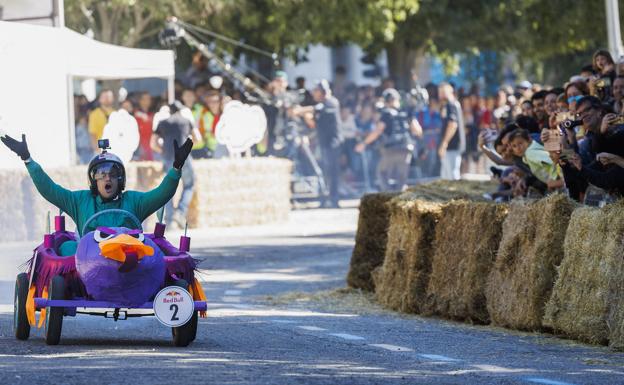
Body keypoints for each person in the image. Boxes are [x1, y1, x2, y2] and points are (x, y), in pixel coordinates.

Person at [0, 133, 192, 255]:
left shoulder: (134, 201)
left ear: (120, 180)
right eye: (101, 174)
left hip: (127, 255)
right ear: (94, 181)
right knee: (67, 248)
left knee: (152, 249)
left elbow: (162, 194)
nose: (107, 178)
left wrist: (176, 168)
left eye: (113, 174)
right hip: (89, 259)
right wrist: (27, 159)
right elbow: (49, 189)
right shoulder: (80, 200)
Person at [355, 88, 422, 191]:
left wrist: (364, 143)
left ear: (386, 101)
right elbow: (417, 130)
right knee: (401, 180)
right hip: (406, 150)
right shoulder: (404, 112)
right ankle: (400, 200)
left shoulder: (386, 114)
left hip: (391, 150)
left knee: (382, 173)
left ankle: (389, 197)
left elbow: (378, 131)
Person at [153, 101, 195, 228]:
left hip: (167, 157)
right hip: (184, 157)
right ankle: (180, 212)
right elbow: (196, 138)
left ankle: (170, 219)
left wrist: (163, 151)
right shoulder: (186, 121)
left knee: (169, 187)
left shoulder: (162, 123)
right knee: (189, 184)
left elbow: (153, 143)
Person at [438, 82, 465, 180]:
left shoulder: (451, 104)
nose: (441, 94)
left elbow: (452, 124)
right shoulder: (448, 105)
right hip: (450, 147)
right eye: (440, 92)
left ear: (450, 92)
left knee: (452, 176)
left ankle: (457, 196)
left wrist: (444, 143)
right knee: (446, 177)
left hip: (452, 146)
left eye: (443, 92)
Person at [134, 92, 154, 161]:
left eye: (148, 99)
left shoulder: (152, 114)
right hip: (139, 147)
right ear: (140, 101)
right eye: (144, 99)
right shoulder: (135, 114)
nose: (147, 101)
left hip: (150, 147)